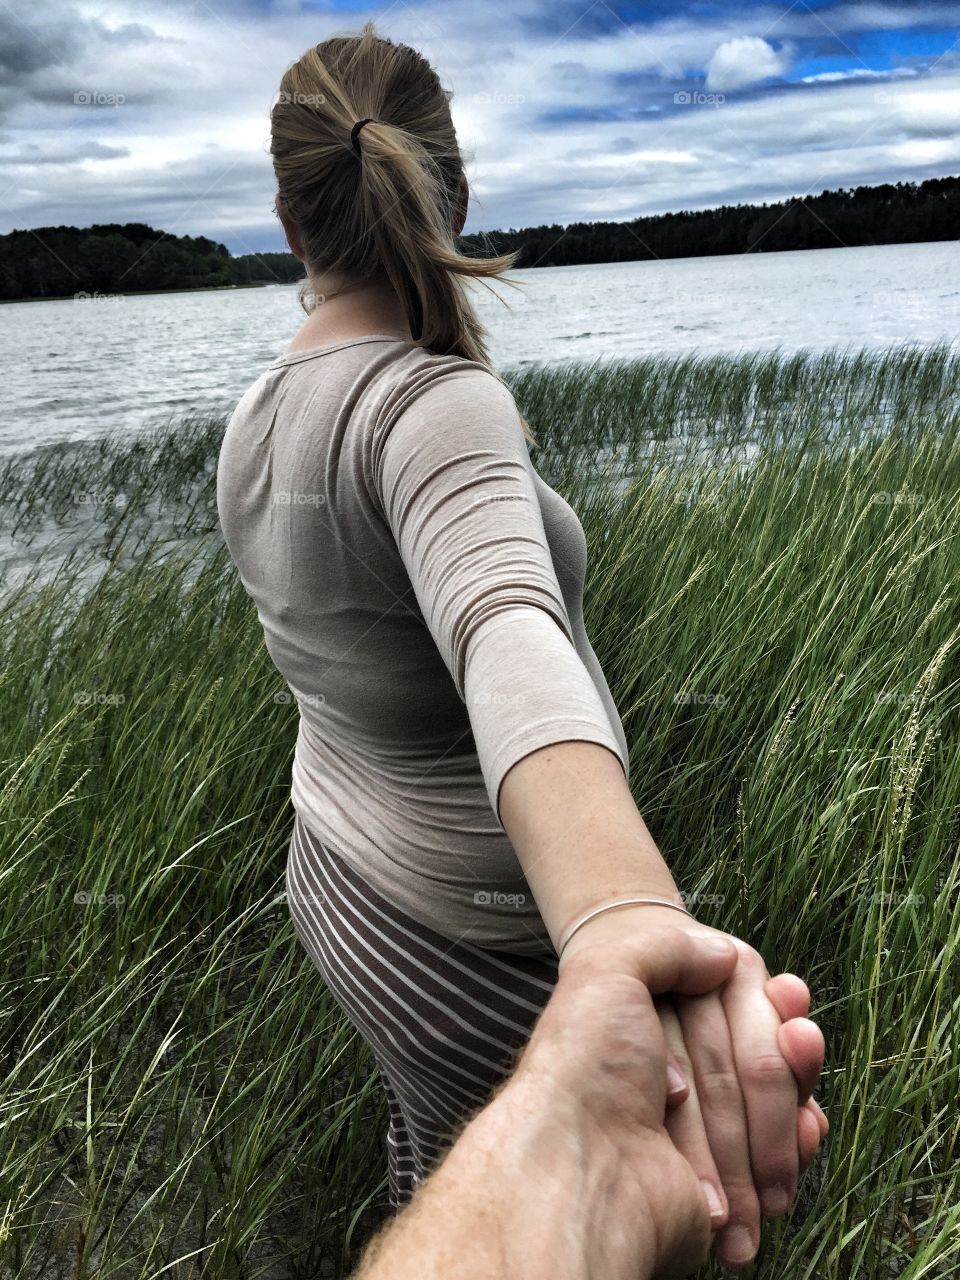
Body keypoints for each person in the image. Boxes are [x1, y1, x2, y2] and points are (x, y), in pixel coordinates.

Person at [215, 21, 828, 1271]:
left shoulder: (257, 413)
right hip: (470, 923)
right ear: (457, 186)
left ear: (289, 224)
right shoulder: (435, 407)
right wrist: (617, 915)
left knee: (443, 1153)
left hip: (337, 880)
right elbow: (507, 628)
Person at [349, 929, 828, 1279]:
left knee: (431, 1152)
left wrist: (598, 1173)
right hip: (469, 958)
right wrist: (634, 913)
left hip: (363, 922)